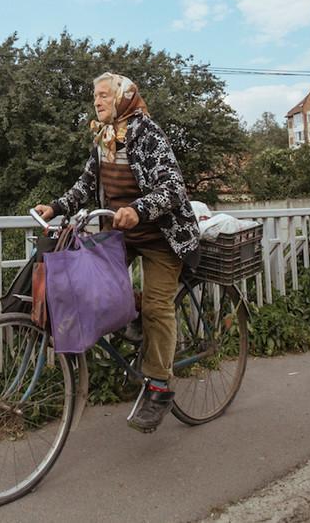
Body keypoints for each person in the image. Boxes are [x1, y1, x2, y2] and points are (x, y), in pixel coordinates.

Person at [34, 71, 201, 433]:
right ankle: (134, 317)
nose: (97, 101)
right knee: (88, 283)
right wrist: (57, 206)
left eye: (105, 95)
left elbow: (173, 187)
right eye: (95, 96)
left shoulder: (147, 134)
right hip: (121, 234)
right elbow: (87, 182)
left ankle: (159, 386)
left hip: (161, 238)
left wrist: (139, 209)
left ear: (124, 97)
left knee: (158, 307)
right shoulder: (104, 136)